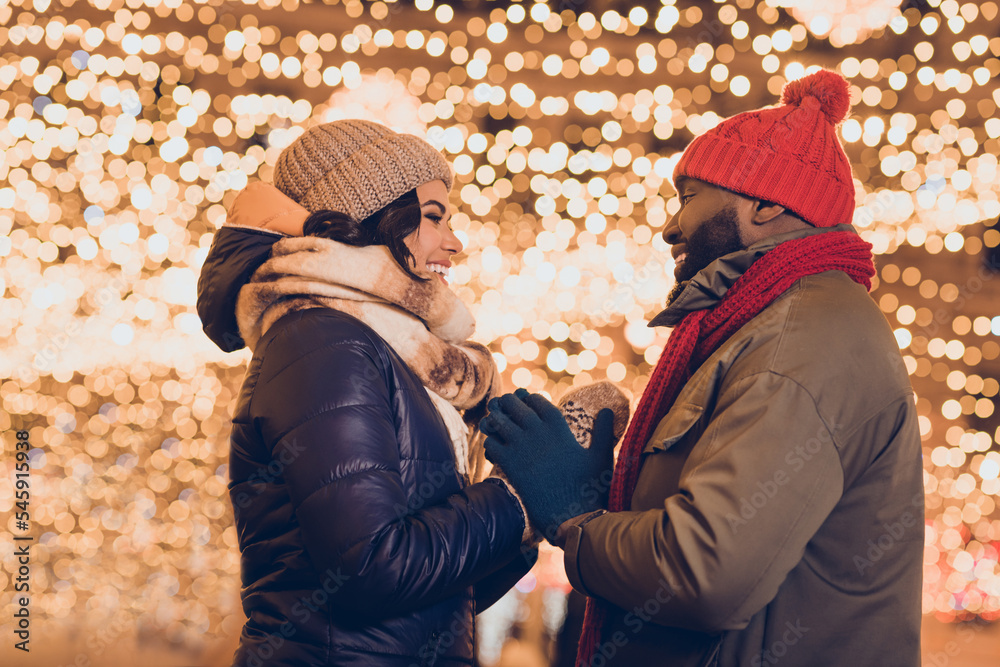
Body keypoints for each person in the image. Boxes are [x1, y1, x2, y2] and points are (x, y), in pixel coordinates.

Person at [480, 70, 923, 666]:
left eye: (688, 197)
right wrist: (607, 503)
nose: (668, 227)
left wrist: (576, 518)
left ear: (767, 203)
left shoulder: (799, 341)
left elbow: (704, 573)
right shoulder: (767, 326)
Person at [196, 119, 539, 666]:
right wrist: (518, 497)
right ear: (368, 220)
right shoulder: (323, 343)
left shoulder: (384, 352)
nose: (453, 242)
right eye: (432, 218)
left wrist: (536, 515)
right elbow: (370, 570)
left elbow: (430, 600)